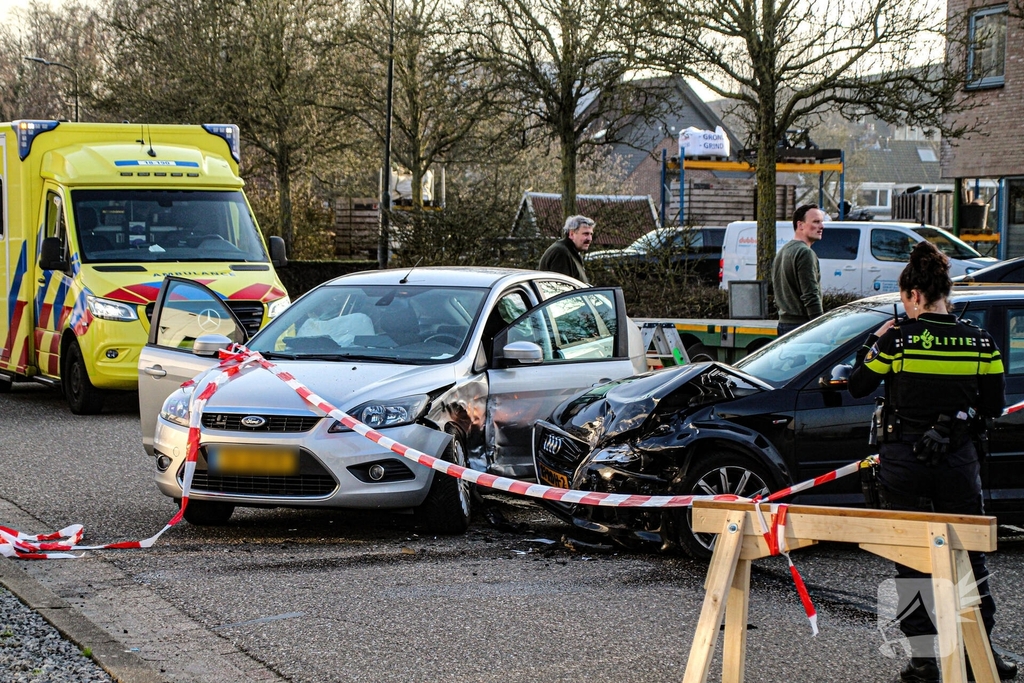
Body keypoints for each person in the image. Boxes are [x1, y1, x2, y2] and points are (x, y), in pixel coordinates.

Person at [848, 241, 1017, 683]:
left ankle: (923, 659)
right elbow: (994, 406)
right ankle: (981, 651)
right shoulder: (981, 341)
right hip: (959, 463)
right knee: (969, 560)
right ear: (947, 294)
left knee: (912, 561)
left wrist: (876, 337)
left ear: (915, 296)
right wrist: (953, 423)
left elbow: (858, 385)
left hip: (903, 463)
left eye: (905, 301)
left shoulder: (900, 340)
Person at [771, 204, 825, 335]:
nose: (822, 226)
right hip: (802, 326)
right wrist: (821, 326)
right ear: (800, 225)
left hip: (784, 324)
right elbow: (811, 295)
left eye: (822, 222)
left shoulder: (783, 251)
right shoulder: (805, 253)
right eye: (816, 222)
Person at [538, 215, 594, 283]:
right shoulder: (561, 253)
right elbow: (561, 288)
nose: (589, 239)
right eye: (585, 234)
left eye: (591, 234)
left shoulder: (571, 253)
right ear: (571, 234)